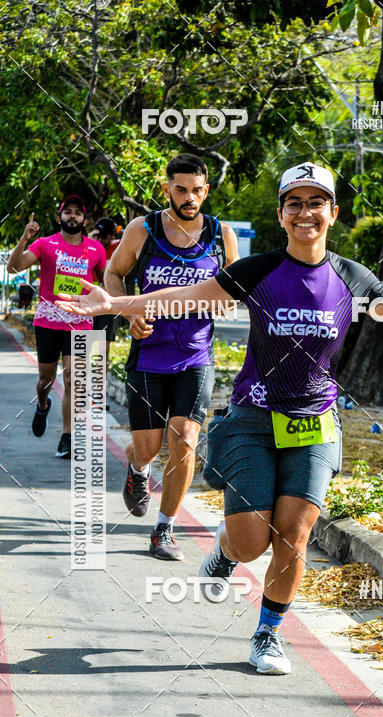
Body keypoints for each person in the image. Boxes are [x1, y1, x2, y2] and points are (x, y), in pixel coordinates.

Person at [56, 161, 383, 675]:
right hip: (253, 417)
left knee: (294, 533)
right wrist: (114, 303)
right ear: (281, 214)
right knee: (252, 539)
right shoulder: (259, 271)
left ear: (332, 214)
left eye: (316, 202)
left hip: (315, 421)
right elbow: (183, 298)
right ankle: (226, 553)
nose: (305, 212)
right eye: (294, 203)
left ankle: (267, 635)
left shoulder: (350, 277)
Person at [104, 154, 239, 561]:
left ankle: (164, 529)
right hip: (148, 357)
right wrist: (131, 311)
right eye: (180, 189)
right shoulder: (142, 230)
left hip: (196, 357)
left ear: (206, 190)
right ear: (167, 189)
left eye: (197, 190)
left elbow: (235, 286)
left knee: (184, 439)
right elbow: (114, 275)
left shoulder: (220, 234)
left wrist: (227, 304)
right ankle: (137, 467)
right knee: (148, 448)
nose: (189, 197)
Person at [7, 195, 106, 459]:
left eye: (77, 213)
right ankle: (42, 403)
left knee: (73, 377)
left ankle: (67, 437)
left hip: (81, 321)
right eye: (68, 212)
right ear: (59, 217)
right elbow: (14, 267)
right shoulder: (45, 244)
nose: (72, 216)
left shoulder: (96, 250)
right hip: (48, 321)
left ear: (84, 219)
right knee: (46, 379)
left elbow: (107, 282)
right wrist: (25, 238)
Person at [89, 217, 122, 402]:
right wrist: (89, 242)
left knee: (103, 349)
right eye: (99, 236)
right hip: (86, 304)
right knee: (83, 347)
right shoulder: (87, 245)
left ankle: (98, 395)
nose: (103, 240)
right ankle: (82, 392)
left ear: (112, 236)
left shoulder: (117, 247)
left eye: (106, 236)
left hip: (107, 304)